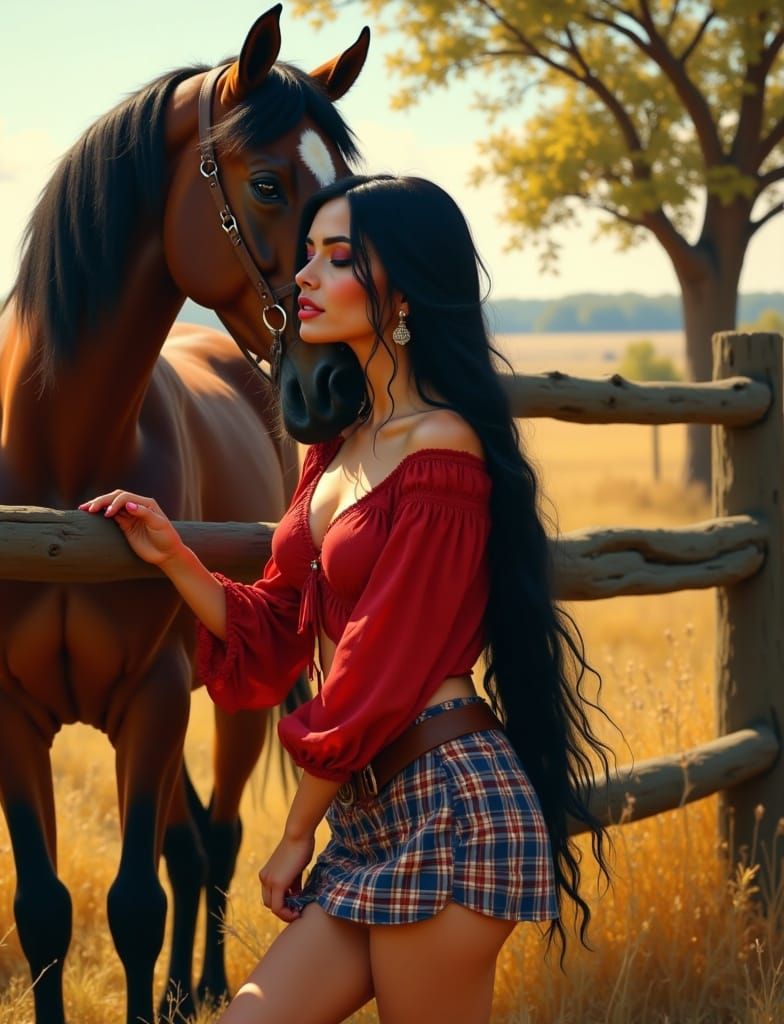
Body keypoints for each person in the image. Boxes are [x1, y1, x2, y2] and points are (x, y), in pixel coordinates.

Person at [80, 174, 612, 1024]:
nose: (304, 278)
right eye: (307, 257)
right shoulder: (336, 449)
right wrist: (175, 556)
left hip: (448, 804)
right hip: (373, 811)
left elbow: (377, 668)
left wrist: (294, 835)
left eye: (337, 259)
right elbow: (282, 624)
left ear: (401, 290)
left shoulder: (443, 449)